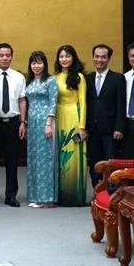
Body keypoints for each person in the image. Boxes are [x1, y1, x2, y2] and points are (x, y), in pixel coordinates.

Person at [0, 43, 27, 208]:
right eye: (1, 55)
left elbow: (22, 100)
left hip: (13, 123)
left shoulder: (19, 77)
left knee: (12, 161)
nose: (4, 58)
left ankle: (11, 195)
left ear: (11, 56)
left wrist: (23, 122)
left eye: (8, 55)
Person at [85, 44, 125, 187]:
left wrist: (119, 128)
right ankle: (97, 191)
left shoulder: (117, 78)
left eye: (103, 57)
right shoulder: (87, 78)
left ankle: (111, 193)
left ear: (108, 59)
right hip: (93, 129)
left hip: (111, 129)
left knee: (110, 163)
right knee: (95, 163)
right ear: (93, 57)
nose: (99, 60)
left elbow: (121, 105)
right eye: (97, 56)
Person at [54, 44, 87, 207]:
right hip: (59, 117)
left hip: (74, 116)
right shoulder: (55, 77)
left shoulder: (79, 77)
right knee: (60, 157)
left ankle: (74, 196)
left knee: (73, 157)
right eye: (61, 56)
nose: (64, 59)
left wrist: (82, 126)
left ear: (73, 58)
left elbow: (83, 102)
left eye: (67, 56)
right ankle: (60, 195)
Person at [25, 51, 58, 208]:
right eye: (33, 63)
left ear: (44, 64)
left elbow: (53, 102)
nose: (36, 66)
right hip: (32, 123)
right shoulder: (30, 81)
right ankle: (35, 195)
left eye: (39, 63)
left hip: (45, 122)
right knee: (34, 159)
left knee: (45, 159)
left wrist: (48, 122)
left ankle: (46, 198)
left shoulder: (50, 80)